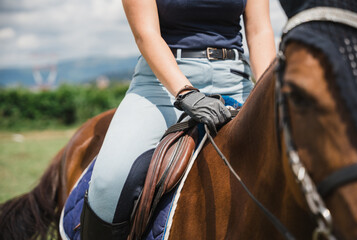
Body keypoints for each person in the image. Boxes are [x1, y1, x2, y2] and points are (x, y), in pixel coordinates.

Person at [80, 0, 276, 239]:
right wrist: (185, 92)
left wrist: (269, 91)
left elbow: (259, 30)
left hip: (236, 78)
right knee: (111, 181)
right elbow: (146, 33)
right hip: (161, 83)